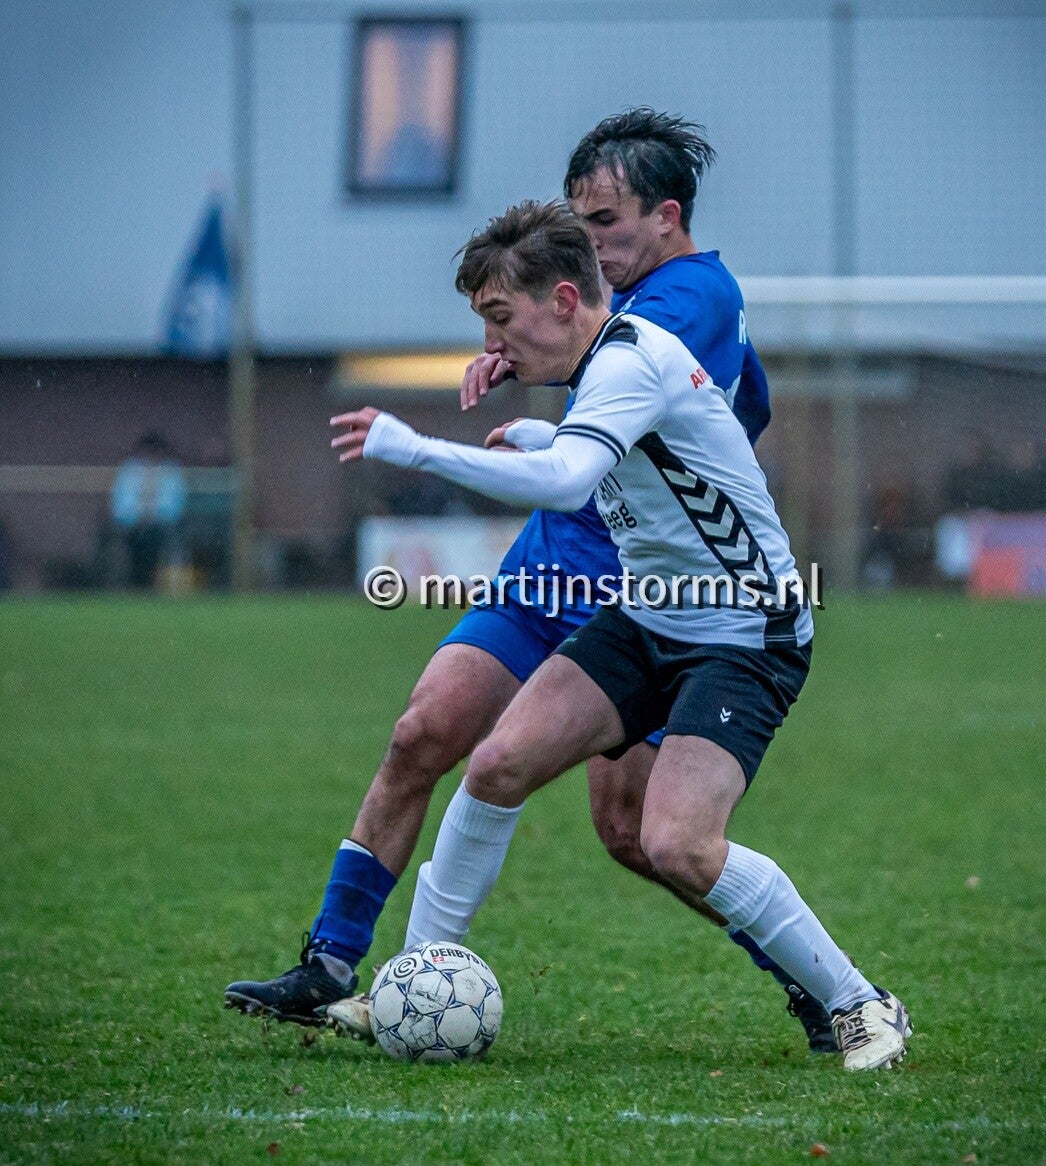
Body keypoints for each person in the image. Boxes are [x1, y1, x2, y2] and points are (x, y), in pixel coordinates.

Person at [225, 110, 835, 1052]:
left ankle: (807, 978)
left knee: (635, 830)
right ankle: (335, 965)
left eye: (604, 223)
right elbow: (592, 352)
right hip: (557, 555)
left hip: (648, 584)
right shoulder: (616, 299)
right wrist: (518, 342)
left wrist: (525, 357)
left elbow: (611, 366)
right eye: (579, 223)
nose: (589, 245)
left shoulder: (693, 296)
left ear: (667, 218)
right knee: (425, 729)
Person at [328, 201, 911, 1072]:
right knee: (497, 765)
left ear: (564, 300)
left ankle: (860, 1002)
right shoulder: (611, 361)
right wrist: (544, 432)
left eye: (501, 316)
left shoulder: (632, 358)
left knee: (676, 842)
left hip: (743, 634)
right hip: (649, 616)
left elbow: (568, 484)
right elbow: (632, 459)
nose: (492, 342)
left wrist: (414, 447)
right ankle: (413, 982)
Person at [109, 432, 187, 589]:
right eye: (148, 451)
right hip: (132, 526)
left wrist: (155, 516)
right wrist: (137, 517)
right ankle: (132, 584)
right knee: (133, 543)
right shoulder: (129, 470)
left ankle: (156, 584)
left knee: (157, 541)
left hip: (162, 526)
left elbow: (174, 504)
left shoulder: (171, 471)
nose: (151, 455)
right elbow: (121, 503)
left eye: (155, 451)